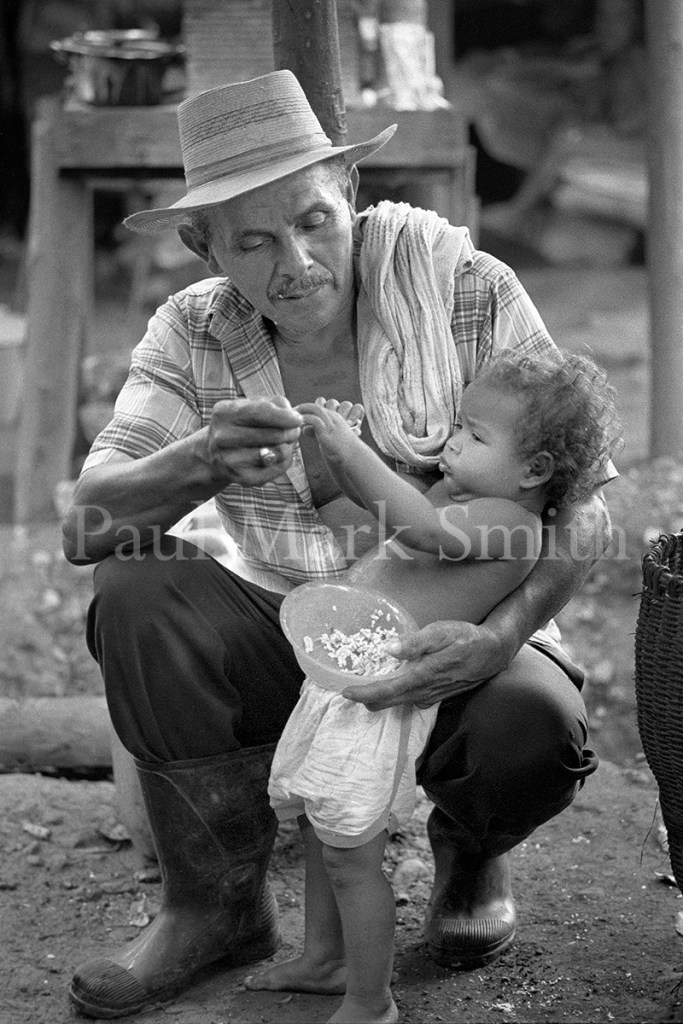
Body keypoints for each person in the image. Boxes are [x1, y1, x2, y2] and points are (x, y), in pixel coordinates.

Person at [62, 70, 615, 1020]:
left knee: (528, 721)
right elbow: (86, 522)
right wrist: (199, 461)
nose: (296, 263)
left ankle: (469, 856)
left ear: (350, 194)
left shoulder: (467, 290)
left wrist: (502, 631)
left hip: (452, 640)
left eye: (314, 221)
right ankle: (214, 908)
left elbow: (589, 506)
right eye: (253, 240)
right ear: (202, 246)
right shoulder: (191, 331)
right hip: (296, 628)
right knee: (136, 584)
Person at [243, 348, 621, 1024]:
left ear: (534, 470)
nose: (451, 441)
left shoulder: (511, 523)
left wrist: (348, 449)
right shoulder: (463, 495)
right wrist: (329, 451)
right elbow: (371, 514)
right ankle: (326, 960)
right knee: (325, 832)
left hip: (384, 694)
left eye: (474, 435)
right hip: (345, 673)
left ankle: (371, 1000)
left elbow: (416, 528)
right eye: (456, 424)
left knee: (353, 855)